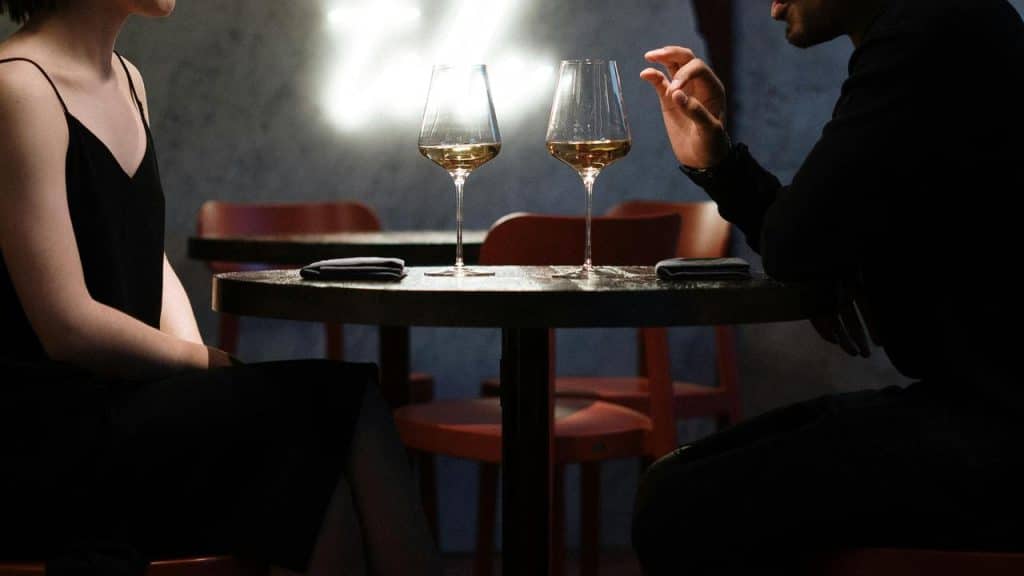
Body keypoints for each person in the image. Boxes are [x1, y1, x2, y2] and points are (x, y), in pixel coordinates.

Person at [0, 1, 441, 575]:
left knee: (317, 433)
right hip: (51, 437)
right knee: (338, 402)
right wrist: (199, 364)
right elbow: (66, 326)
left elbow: (144, 252)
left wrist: (196, 373)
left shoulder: (129, 80)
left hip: (126, 404)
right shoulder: (19, 88)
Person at [633, 0, 1023, 573]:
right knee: (676, 480)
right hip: (979, 410)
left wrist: (816, 250)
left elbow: (799, 242)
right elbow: (825, 234)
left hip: (995, 433)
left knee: (678, 503)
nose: (773, 7)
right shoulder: (954, 21)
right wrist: (725, 168)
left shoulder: (926, 30)